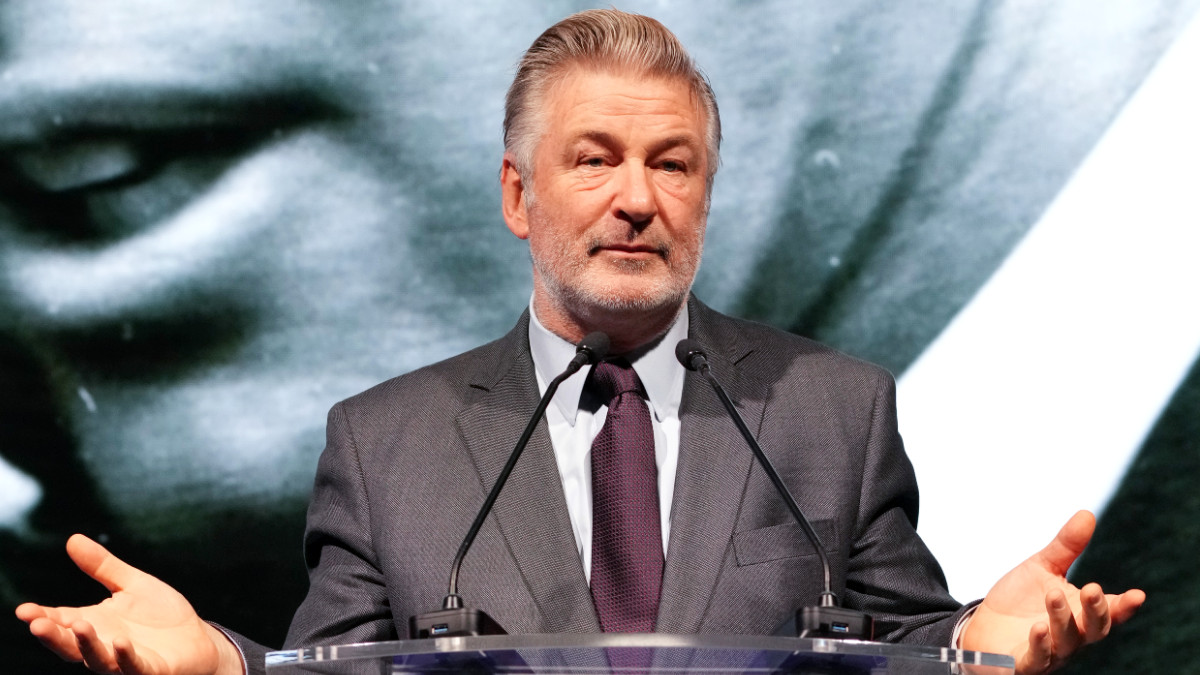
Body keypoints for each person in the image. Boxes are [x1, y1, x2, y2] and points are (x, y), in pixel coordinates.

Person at [15, 9, 1144, 675]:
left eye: (674, 167)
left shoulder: (834, 413)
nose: (636, 203)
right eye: (590, 162)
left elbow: (901, 639)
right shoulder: (382, 436)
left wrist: (989, 646)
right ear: (516, 196)